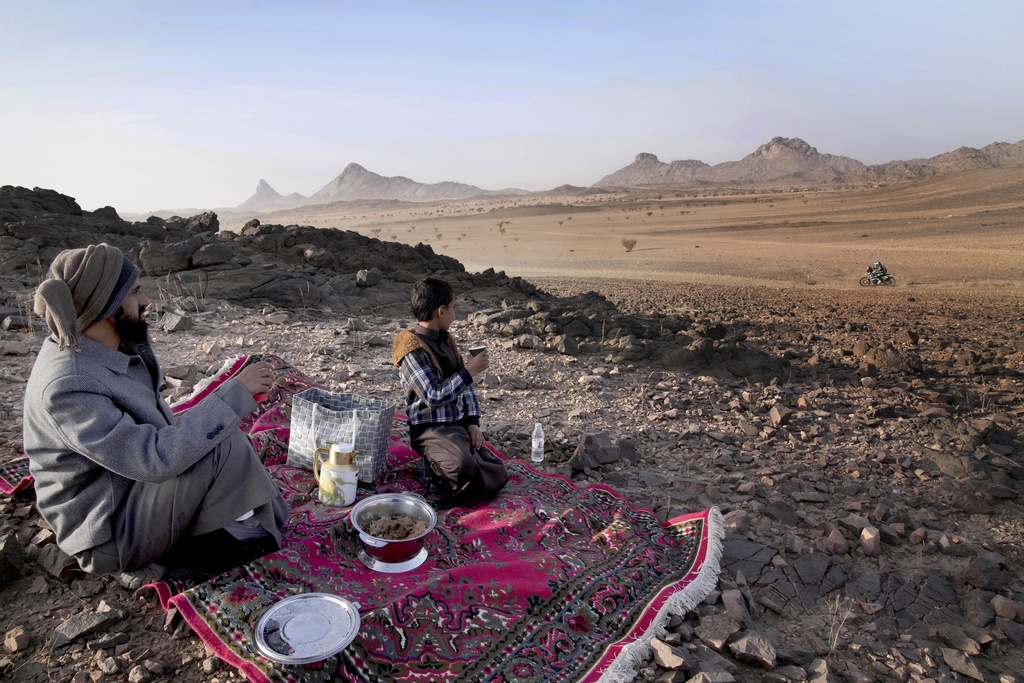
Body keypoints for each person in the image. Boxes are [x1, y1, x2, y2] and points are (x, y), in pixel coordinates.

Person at [23, 243, 287, 588]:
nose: (146, 301)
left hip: (131, 491)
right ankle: (198, 557)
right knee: (223, 446)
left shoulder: (108, 350)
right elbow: (153, 459)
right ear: (106, 306)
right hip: (109, 531)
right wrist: (233, 396)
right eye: (135, 292)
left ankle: (244, 524)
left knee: (217, 439)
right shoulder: (67, 385)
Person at [390, 277, 508, 507]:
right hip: (430, 429)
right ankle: (433, 470)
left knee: (496, 471)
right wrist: (469, 371)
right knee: (464, 466)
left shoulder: (445, 339)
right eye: (453, 307)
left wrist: (473, 422)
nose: (455, 313)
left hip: (457, 424)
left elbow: (465, 388)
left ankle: (459, 465)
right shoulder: (411, 350)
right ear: (441, 311)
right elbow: (433, 396)